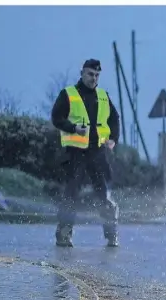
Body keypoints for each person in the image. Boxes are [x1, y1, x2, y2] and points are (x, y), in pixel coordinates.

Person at [50, 59, 121, 248]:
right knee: (71, 194)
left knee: (103, 194)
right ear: (82, 73)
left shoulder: (103, 96)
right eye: (90, 74)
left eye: (97, 75)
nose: (94, 78)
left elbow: (114, 118)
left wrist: (114, 138)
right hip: (75, 153)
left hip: (97, 153)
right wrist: (73, 128)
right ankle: (64, 235)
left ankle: (111, 235)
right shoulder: (68, 94)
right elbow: (56, 118)